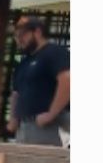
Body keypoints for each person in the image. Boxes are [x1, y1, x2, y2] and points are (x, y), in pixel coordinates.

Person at [8, 15, 70, 147]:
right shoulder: (24, 62)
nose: (19, 40)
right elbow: (16, 93)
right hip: (25, 126)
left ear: (37, 32)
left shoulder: (54, 52)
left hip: (48, 124)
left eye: (22, 35)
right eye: (16, 36)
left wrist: (51, 114)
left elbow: (67, 79)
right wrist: (13, 118)